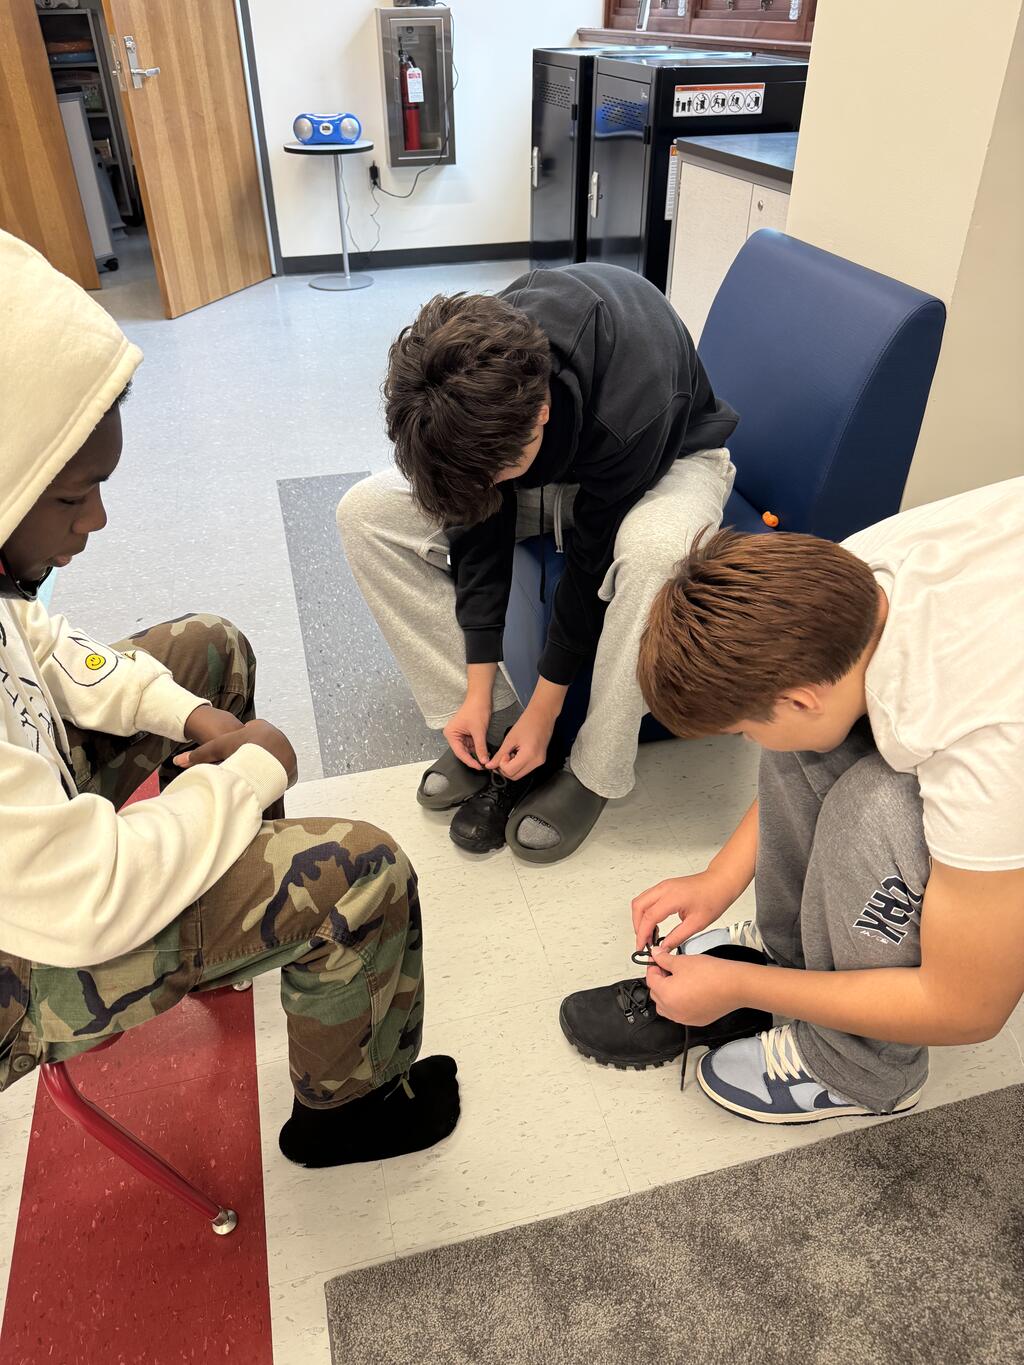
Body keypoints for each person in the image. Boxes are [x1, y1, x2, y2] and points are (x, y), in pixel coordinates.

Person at [0, 229, 459, 1168]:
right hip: (32, 950)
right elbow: (88, 890)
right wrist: (248, 773)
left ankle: (230, 930)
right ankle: (346, 1116)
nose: (97, 519)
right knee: (361, 873)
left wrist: (191, 718)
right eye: (74, 497)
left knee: (209, 652)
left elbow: (39, 642)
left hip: (38, 842)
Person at [560, 482, 1024, 1122]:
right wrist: (718, 878)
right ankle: (798, 955)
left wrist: (742, 987)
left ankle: (863, 1067)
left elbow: (969, 1008)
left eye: (739, 732)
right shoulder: (857, 572)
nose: (746, 742)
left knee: (876, 811)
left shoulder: (988, 742)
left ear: (802, 699)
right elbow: (803, 723)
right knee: (806, 741)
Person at [338, 263, 738, 863]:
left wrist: (546, 709)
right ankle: (492, 723)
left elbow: (590, 562)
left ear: (542, 410)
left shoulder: (633, 396)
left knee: (655, 554)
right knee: (364, 512)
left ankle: (595, 771)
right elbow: (478, 514)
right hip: (545, 470)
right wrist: (479, 688)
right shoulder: (479, 356)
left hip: (665, 461)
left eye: (498, 472)